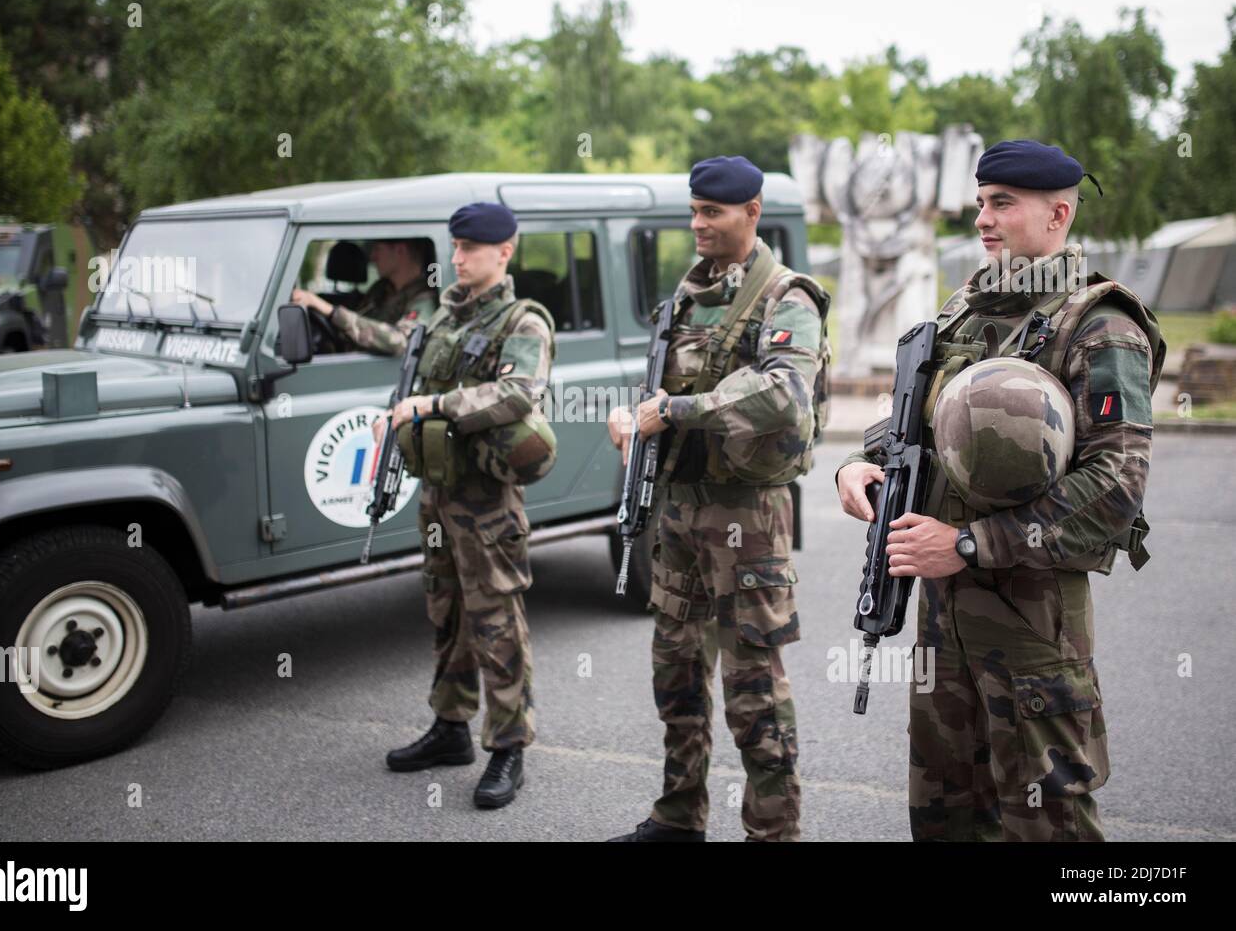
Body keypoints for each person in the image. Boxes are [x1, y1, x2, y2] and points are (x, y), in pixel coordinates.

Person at [835, 139, 1165, 841]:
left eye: (1003, 203)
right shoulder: (967, 309)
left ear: (1058, 215)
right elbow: (924, 419)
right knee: (946, 813)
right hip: (941, 619)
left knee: (1048, 822)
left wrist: (966, 542)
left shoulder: (1101, 327)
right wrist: (861, 462)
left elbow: (1116, 485)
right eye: (982, 202)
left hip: (1029, 626)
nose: (984, 219)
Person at [606, 156, 831, 841]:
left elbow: (786, 395)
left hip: (746, 519)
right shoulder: (685, 293)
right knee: (675, 670)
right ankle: (678, 817)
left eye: (715, 212)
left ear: (752, 211)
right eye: (695, 210)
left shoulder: (786, 296)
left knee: (752, 686)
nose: (699, 223)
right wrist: (635, 419)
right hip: (678, 508)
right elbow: (663, 390)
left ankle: (773, 831)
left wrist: (673, 410)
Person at [380, 202, 555, 809]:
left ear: (503, 252)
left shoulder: (524, 320)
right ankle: (450, 727)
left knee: (495, 618)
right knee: (446, 611)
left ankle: (508, 747)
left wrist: (431, 408)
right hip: (438, 492)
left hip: (487, 501)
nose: (456, 258)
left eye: (470, 249)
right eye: (454, 248)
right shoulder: (441, 318)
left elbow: (517, 393)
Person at [292, 238, 435, 355]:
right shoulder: (381, 290)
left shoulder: (425, 298)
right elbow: (359, 321)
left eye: (378, 249)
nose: (372, 258)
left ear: (400, 250)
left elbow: (402, 341)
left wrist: (331, 311)